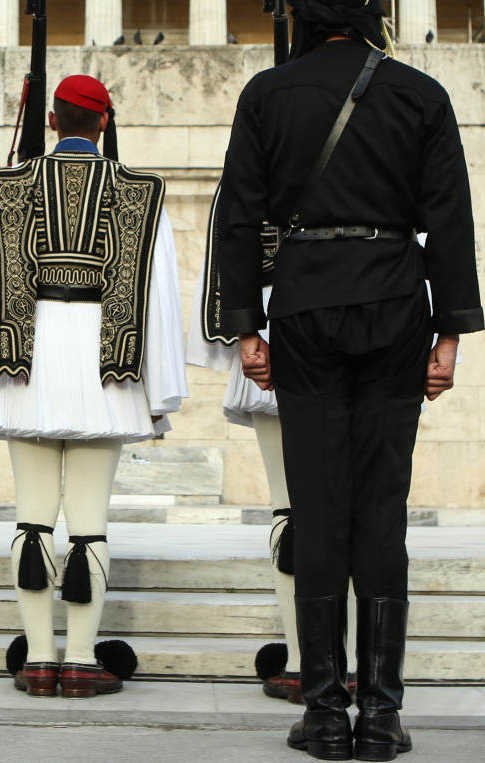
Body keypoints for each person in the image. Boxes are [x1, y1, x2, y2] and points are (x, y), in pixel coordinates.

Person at [214, 0, 482, 761]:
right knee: (381, 509)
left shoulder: (268, 92)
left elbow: (239, 215)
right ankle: (385, 713)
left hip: (304, 305)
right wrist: (450, 330)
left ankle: (326, 709)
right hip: (395, 305)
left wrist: (244, 324)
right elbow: (451, 217)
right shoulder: (419, 93)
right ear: (372, 13)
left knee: (319, 508)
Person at [0, 75, 188, 699]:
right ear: (103, 123)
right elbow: (161, 294)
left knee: (31, 518)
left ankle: (36, 660)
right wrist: (157, 389)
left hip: (24, 360)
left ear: (51, 122)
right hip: (106, 365)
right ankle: (81, 662)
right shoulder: (141, 191)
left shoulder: (5, 186)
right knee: (89, 522)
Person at [188, 201, 304, 704]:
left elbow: (232, 242)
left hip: (275, 328)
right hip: (368, 326)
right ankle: (351, 660)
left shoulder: (261, 158)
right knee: (350, 510)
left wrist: (241, 333)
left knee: (289, 508)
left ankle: (304, 663)